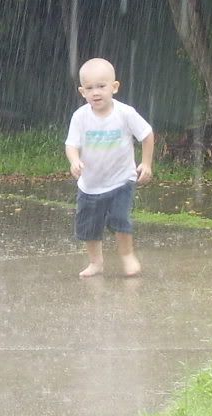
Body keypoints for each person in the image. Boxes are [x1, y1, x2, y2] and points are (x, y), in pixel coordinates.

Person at [65, 57, 154, 278]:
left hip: (121, 180)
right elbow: (71, 144)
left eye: (101, 86)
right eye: (89, 88)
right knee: (89, 228)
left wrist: (146, 163)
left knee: (120, 219)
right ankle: (96, 263)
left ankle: (127, 256)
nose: (96, 92)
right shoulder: (80, 117)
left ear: (114, 87)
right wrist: (74, 160)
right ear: (82, 92)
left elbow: (147, 134)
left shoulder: (125, 113)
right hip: (90, 185)